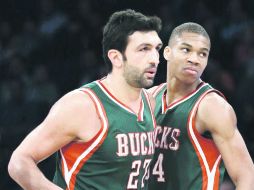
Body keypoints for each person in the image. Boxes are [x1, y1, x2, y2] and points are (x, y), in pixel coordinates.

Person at [8, 9, 163, 190]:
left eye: (156, 49)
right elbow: (19, 163)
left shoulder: (151, 103)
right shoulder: (82, 105)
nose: (155, 59)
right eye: (144, 49)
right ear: (116, 57)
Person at [148, 22, 254, 190]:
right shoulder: (149, 98)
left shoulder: (212, 107)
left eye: (202, 54)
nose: (194, 59)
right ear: (167, 52)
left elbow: (246, 175)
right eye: (186, 50)